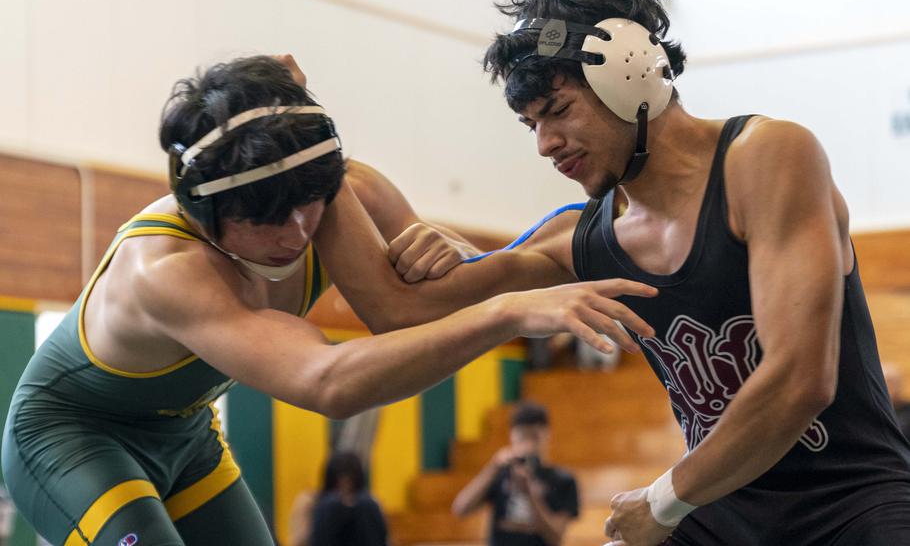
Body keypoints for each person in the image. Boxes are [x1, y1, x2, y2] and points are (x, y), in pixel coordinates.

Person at [314, 0, 910, 544]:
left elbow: (801, 381)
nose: (543, 144)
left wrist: (662, 501)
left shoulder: (767, 158)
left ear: (631, 75)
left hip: (852, 504)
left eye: (558, 110)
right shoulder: (581, 238)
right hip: (719, 511)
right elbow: (398, 311)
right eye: (531, 124)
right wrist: (317, 161)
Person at [0, 55, 657, 545]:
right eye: (266, 222)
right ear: (206, 212)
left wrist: (457, 251)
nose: (296, 235)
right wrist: (509, 310)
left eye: (310, 207)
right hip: (71, 439)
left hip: (187, 431)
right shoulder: (165, 269)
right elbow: (328, 381)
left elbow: (416, 305)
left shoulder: (339, 188)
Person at [452, 402, 578, 546]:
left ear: (547, 434)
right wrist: (493, 465)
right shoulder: (500, 473)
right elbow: (461, 509)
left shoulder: (563, 480)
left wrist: (530, 495)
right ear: (512, 436)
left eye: (534, 437)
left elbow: (555, 538)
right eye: (523, 437)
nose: (528, 444)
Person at [289, 451, 388, 546]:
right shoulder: (313, 503)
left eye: (350, 485)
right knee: (331, 505)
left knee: (367, 504)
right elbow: (299, 540)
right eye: (339, 485)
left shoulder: (368, 505)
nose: (345, 488)